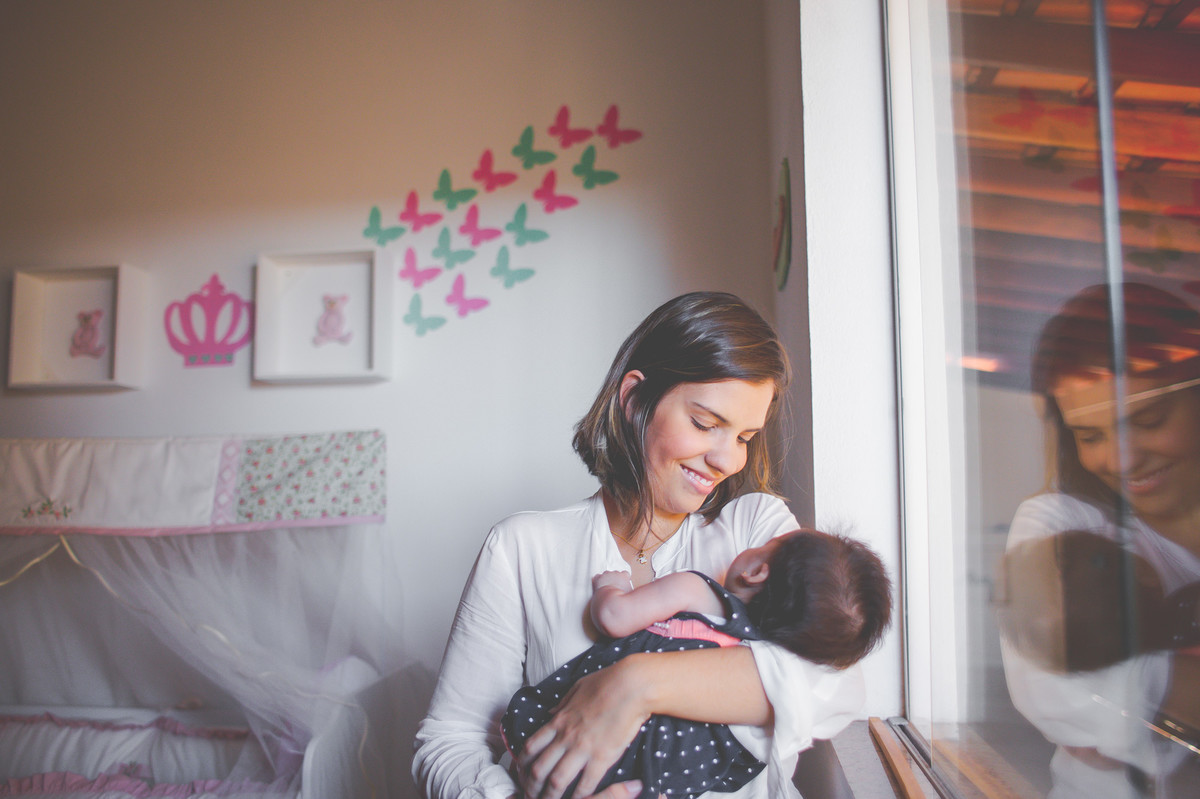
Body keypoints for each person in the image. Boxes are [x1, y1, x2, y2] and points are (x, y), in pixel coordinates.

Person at [413, 292, 867, 799]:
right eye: (705, 423)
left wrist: (634, 685)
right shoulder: (522, 548)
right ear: (634, 400)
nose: (728, 460)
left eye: (744, 436)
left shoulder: (755, 531)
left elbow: (838, 686)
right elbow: (449, 741)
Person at [501, 529, 892, 798]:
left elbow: (615, 618)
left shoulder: (696, 591)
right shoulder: (756, 659)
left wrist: (611, 586)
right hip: (650, 774)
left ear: (756, 571)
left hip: (558, 747)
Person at [1000, 282, 1200, 798]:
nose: (1122, 459)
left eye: (1148, 421)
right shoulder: (1057, 524)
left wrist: (1144, 687)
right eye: (1091, 436)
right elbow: (1057, 695)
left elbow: (1109, 703)